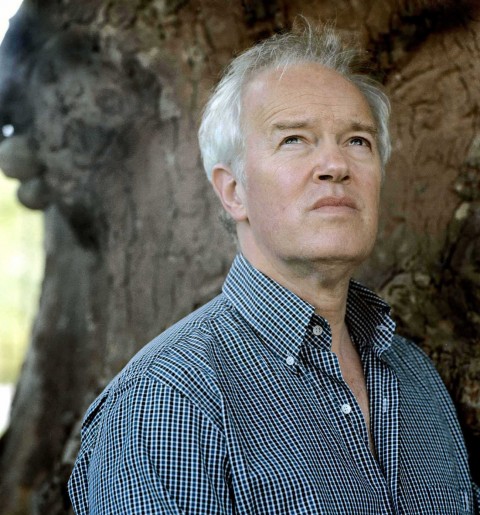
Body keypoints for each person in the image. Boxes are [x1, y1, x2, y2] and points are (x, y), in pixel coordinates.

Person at [68, 22, 480, 514]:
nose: (335, 165)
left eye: (357, 141)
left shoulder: (415, 375)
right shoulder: (168, 399)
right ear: (233, 191)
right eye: (294, 140)